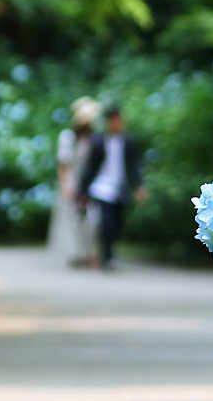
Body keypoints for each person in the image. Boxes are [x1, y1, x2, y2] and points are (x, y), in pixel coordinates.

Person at [77, 101, 145, 271]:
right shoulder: (98, 141)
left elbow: (133, 167)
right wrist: (82, 191)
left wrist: (138, 187)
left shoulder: (128, 141)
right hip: (100, 187)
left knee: (117, 223)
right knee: (106, 222)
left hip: (120, 188)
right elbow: (90, 167)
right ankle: (107, 256)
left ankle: (109, 252)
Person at [51, 97, 102, 267]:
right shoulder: (68, 137)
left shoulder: (95, 138)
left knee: (92, 219)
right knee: (72, 220)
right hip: (72, 181)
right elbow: (63, 165)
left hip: (90, 182)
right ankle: (76, 253)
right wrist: (66, 185)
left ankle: (90, 252)